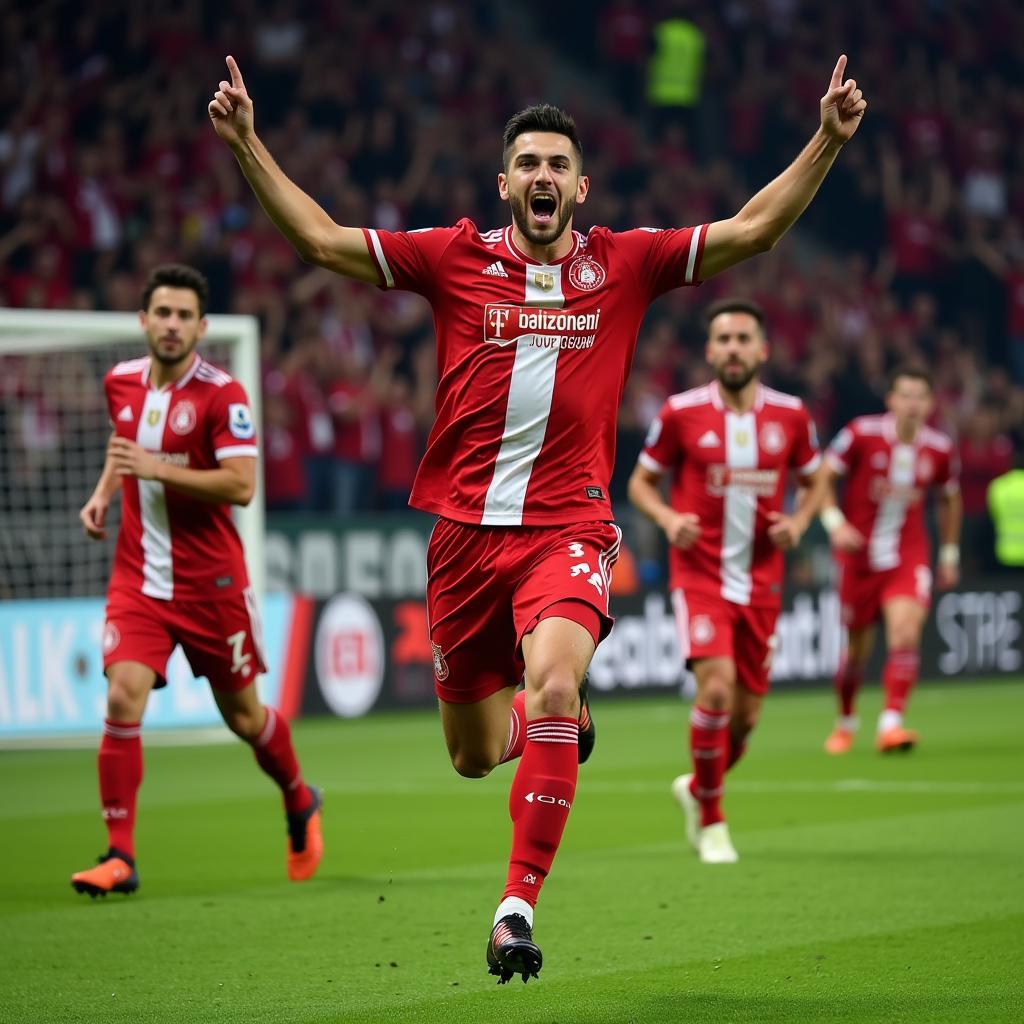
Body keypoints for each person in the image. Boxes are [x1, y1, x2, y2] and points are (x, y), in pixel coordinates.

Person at [208, 52, 866, 982]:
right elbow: (321, 241)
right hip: (463, 541)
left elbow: (753, 231)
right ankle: (546, 724)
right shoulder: (453, 256)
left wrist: (827, 142)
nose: (544, 177)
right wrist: (245, 143)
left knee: (555, 685)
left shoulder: (625, 263)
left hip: (571, 529)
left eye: (559, 164)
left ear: (580, 185)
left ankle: (514, 908)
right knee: (475, 755)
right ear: (504, 181)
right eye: (529, 164)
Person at [71, 264, 323, 897]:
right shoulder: (120, 383)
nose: (173, 325)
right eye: (163, 313)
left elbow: (242, 485)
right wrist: (106, 492)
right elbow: (121, 442)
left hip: (212, 585)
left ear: (202, 328)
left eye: (185, 316)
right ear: (144, 321)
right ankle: (120, 857)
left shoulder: (224, 396)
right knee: (122, 697)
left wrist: (154, 469)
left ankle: (298, 798)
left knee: (243, 718)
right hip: (140, 580)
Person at [627, 299, 828, 864]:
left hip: (762, 581)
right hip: (701, 576)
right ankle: (713, 821)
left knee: (745, 719)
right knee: (714, 689)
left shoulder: (790, 416)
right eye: (724, 339)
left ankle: (696, 787)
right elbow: (641, 483)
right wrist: (668, 520)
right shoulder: (680, 412)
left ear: (763, 350)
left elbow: (815, 481)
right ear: (710, 351)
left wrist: (800, 521)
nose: (734, 348)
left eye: (743, 338)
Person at [820, 366, 961, 755]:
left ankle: (891, 724)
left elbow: (950, 498)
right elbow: (822, 478)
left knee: (904, 633)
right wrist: (835, 524)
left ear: (931, 404)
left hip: (907, 554)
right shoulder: (860, 434)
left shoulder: (938, 448)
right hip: (858, 557)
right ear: (891, 400)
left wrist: (949, 553)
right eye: (906, 395)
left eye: (921, 396)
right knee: (857, 653)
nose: (913, 403)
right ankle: (846, 722)